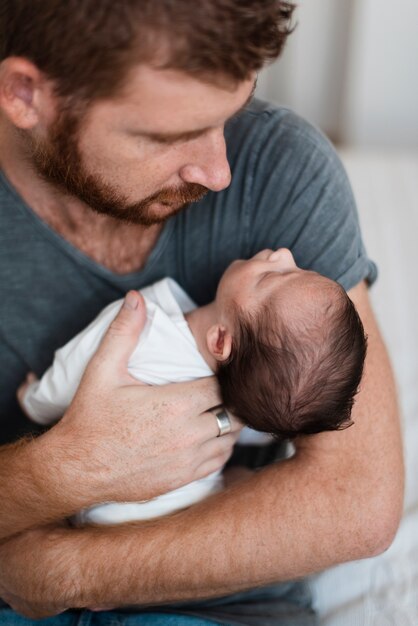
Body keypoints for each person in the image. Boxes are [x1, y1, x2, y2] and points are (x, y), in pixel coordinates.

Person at [0, 1, 403, 625]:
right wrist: (64, 470)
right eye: (166, 136)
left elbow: (355, 498)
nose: (218, 172)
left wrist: (65, 569)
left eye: (230, 113)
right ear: (25, 93)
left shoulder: (279, 167)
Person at [18, 249, 367, 525]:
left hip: (96, 516)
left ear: (220, 341)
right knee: (226, 487)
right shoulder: (247, 403)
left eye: (273, 276)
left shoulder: (143, 327)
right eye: (299, 268)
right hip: (162, 534)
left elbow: (71, 375)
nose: (284, 253)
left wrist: (36, 400)